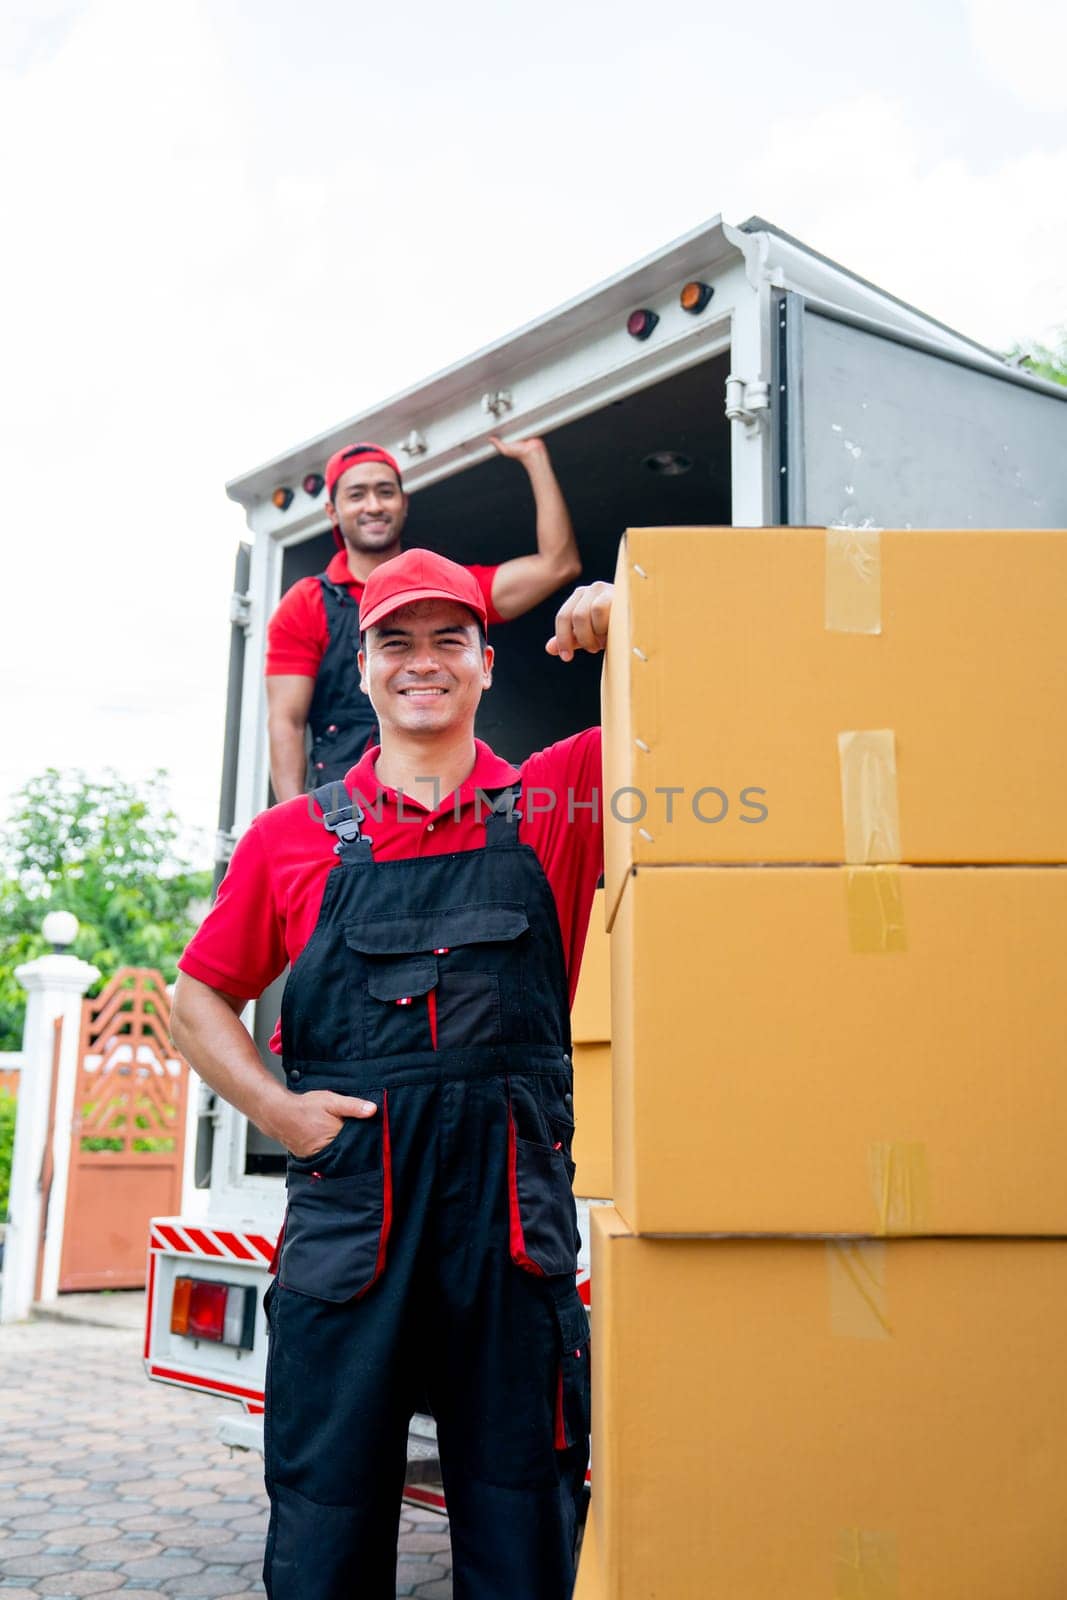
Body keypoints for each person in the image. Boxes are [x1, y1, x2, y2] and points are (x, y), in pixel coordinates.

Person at [171, 548, 614, 1600]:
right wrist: (283, 1113)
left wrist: (628, 605)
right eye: (396, 643)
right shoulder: (292, 837)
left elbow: (705, 693)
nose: (424, 662)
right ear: (360, 667)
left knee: (523, 1519)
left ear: (485, 662)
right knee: (326, 1516)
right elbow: (196, 1002)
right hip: (351, 1210)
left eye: (447, 639)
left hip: (505, 1227)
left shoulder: (559, 798)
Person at [265, 435, 581, 800]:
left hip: (443, 796)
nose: (373, 505)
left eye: (385, 492)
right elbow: (285, 722)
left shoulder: (452, 590)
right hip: (345, 808)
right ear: (332, 512)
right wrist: (294, 830)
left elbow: (559, 565)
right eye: (356, 495)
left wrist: (535, 457)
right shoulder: (307, 602)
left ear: (403, 503)